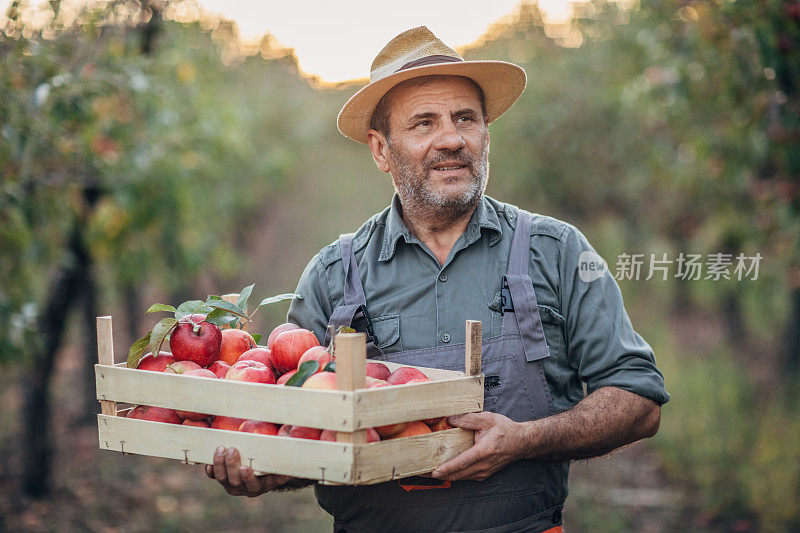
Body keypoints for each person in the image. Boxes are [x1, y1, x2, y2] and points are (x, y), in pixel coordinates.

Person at [206, 26, 669, 532]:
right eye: (423, 123)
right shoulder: (334, 274)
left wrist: (526, 440)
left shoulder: (556, 251)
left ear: (485, 133)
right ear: (381, 151)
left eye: (465, 118)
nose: (451, 139)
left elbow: (637, 399)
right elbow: (299, 435)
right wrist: (265, 470)